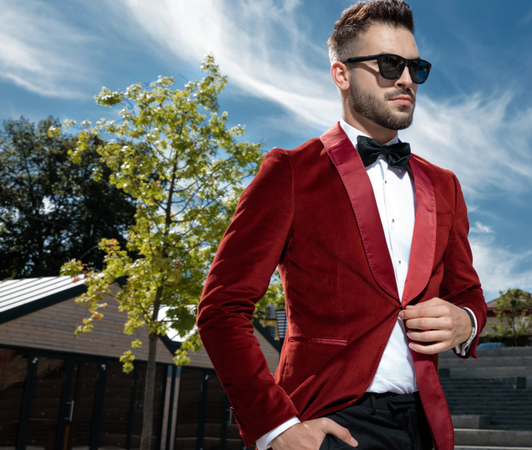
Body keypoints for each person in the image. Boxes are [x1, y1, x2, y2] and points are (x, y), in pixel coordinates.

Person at [197, 1, 487, 449]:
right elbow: (222, 309)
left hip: (424, 424)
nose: (406, 79)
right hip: (328, 422)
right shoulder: (289, 172)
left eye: (416, 67)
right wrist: (275, 428)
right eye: (390, 65)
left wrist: (465, 322)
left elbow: (467, 292)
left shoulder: (445, 185)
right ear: (341, 74)